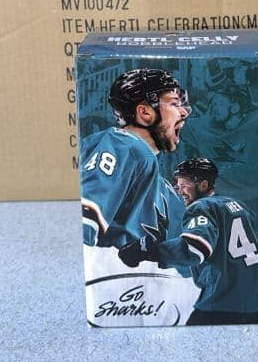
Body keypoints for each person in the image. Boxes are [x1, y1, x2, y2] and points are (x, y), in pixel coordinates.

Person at [118, 157, 258, 325]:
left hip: (223, 301)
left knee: (192, 338)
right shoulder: (237, 205)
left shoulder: (202, 207)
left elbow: (195, 249)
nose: (180, 191)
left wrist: (148, 251)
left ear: (203, 185)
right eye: (178, 185)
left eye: (184, 185)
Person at [80, 68, 191, 249]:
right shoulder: (123, 143)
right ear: (145, 112)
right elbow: (85, 222)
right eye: (174, 103)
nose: (184, 112)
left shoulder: (160, 183)